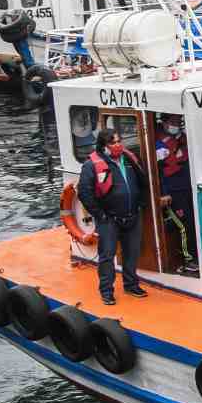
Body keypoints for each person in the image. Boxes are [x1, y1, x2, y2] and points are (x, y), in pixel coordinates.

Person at [76, 128, 148, 306]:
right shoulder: (91, 165)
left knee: (132, 252)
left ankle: (131, 285)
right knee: (107, 256)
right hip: (109, 219)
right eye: (113, 142)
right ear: (104, 146)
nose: (118, 145)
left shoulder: (129, 158)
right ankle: (107, 291)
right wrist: (100, 214)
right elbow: (84, 193)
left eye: (119, 141)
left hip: (132, 214)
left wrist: (141, 204)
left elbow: (143, 181)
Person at [154, 114, 195, 270]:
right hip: (172, 192)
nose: (176, 124)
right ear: (164, 123)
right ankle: (188, 260)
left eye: (178, 122)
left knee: (194, 222)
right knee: (184, 225)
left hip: (188, 188)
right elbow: (157, 172)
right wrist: (163, 192)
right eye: (173, 122)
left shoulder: (184, 138)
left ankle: (196, 254)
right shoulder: (159, 146)